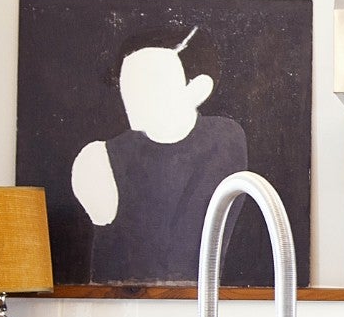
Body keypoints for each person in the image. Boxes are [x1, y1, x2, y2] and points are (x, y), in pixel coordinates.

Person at [71, 25, 248, 283]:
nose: (134, 95)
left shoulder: (226, 139)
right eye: (128, 81)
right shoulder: (99, 159)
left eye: (152, 81)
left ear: (197, 90)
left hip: (193, 305)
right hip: (121, 309)